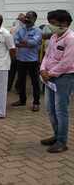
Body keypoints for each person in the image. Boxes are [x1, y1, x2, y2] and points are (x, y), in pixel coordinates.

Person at [40, 10, 74, 153]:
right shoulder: (54, 37)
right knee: (50, 108)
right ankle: (56, 135)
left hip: (64, 78)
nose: (51, 26)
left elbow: (67, 62)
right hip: (49, 78)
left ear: (64, 23)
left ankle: (62, 141)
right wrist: (42, 69)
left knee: (61, 110)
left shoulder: (71, 39)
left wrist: (51, 73)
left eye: (53, 23)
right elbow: (47, 56)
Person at [11, 11, 43, 111]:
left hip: (32, 60)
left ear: (34, 19)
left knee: (35, 82)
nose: (27, 19)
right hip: (21, 59)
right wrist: (25, 43)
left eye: (29, 18)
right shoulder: (21, 29)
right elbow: (14, 41)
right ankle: (22, 100)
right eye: (26, 17)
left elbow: (33, 43)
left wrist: (23, 43)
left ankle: (36, 102)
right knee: (20, 81)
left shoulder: (37, 31)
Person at [8, 13, 26, 92]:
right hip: (17, 52)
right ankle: (17, 87)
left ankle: (10, 86)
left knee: (13, 71)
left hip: (16, 52)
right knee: (18, 71)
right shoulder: (20, 28)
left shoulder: (13, 28)